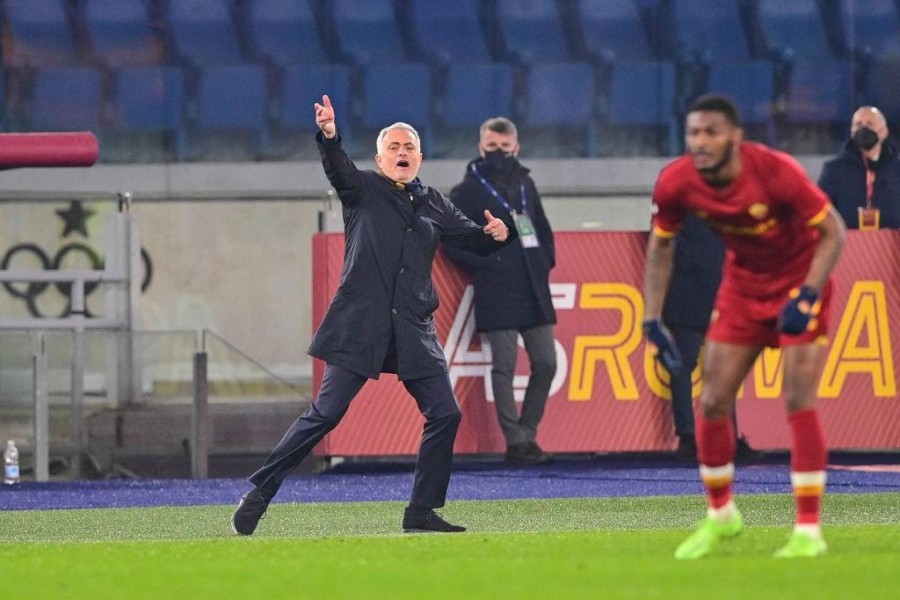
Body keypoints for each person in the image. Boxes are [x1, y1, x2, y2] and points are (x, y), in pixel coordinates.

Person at [231, 94, 513, 536]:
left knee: (445, 414)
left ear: (421, 157)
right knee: (324, 414)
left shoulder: (435, 202)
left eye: (410, 147)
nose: (403, 153)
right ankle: (259, 493)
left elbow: (472, 240)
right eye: (394, 148)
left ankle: (421, 512)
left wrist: (495, 235)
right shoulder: (360, 188)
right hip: (360, 324)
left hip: (413, 327)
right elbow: (337, 166)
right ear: (379, 158)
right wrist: (328, 135)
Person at [642, 94, 845, 560]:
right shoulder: (677, 181)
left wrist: (809, 293)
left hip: (800, 283)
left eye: (711, 132)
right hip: (743, 288)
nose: (701, 142)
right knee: (712, 401)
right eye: (694, 132)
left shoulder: (776, 171)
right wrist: (651, 318)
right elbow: (661, 246)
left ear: (735, 136)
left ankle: (808, 531)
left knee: (797, 398)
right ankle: (721, 517)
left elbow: (833, 230)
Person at [443, 117, 557, 464]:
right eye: (491, 147)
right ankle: (516, 441)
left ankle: (528, 432)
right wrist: (485, 264)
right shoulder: (467, 191)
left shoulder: (525, 183)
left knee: (546, 362)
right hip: (497, 288)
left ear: (516, 147)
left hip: (532, 285)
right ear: (480, 147)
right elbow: (452, 240)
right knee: (504, 366)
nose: (498, 153)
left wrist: (543, 263)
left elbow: (542, 230)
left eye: (505, 148)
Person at [663, 214, 760, 463]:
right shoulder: (677, 186)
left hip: (720, 290)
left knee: (724, 368)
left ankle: (725, 436)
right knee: (685, 363)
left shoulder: (723, 187)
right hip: (686, 291)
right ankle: (687, 436)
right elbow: (662, 239)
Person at [818, 105, 900, 230]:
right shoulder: (833, 170)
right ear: (852, 131)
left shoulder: (896, 168)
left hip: (892, 246)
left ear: (884, 132)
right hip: (850, 246)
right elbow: (821, 214)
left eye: (870, 124)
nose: (863, 128)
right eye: (858, 124)